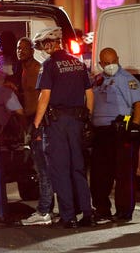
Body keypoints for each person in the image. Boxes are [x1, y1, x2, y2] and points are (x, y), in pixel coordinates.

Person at [30, 26, 96, 229]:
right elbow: (90, 93)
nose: (42, 49)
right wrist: (87, 119)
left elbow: (45, 95)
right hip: (77, 121)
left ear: (51, 42)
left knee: (60, 170)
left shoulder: (49, 65)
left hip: (58, 124)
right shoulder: (77, 63)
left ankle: (68, 217)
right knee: (78, 169)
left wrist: (36, 123)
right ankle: (87, 213)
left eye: (42, 44)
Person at [89, 48, 140, 224]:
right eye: (106, 63)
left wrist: (135, 126)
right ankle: (102, 209)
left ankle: (124, 211)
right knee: (99, 175)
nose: (110, 65)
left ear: (117, 59)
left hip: (120, 131)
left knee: (123, 175)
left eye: (113, 61)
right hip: (100, 134)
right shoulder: (97, 80)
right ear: (100, 63)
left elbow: (139, 104)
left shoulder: (128, 80)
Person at [16, 36, 55, 226]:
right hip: (30, 120)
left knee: (43, 167)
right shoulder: (22, 70)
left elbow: (44, 97)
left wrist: (38, 123)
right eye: (18, 48)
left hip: (39, 121)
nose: (20, 51)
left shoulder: (38, 68)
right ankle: (47, 207)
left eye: (24, 48)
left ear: (32, 50)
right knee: (38, 165)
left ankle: (46, 209)